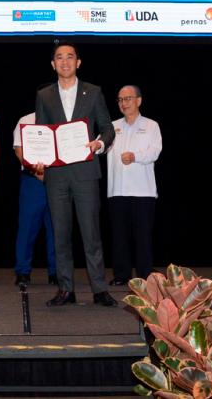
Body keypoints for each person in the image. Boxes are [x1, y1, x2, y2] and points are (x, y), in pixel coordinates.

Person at [35, 42, 117, 306]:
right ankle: (66, 289)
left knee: (91, 232)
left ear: (78, 62)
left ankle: (99, 289)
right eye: (59, 57)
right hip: (56, 175)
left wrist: (100, 144)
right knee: (60, 233)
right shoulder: (44, 95)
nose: (65, 61)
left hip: (85, 172)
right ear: (52, 64)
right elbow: (40, 132)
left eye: (70, 57)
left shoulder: (93, 92)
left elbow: (107, 128)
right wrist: (38, 158)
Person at [107, 85, 162, 286]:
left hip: (143, 191)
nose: (124, 103)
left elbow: (155, 152)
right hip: (117, 190)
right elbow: (99, 146)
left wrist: (135, 156)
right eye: (120, 100)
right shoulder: (111, 126)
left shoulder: (151, 126)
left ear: (139, 100)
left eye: (128, 99)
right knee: (119, 235)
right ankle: (121, 275)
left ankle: (145, 275)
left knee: (143, 236)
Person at [12, 112, 57, 287]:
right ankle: (23, 271)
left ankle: (56, 272)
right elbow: (18, 149)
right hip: (33, 181)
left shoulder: (62, 118)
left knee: (57, 228)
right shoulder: (25, 120)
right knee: (27, 228)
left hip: (57, 180)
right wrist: (36, 171)